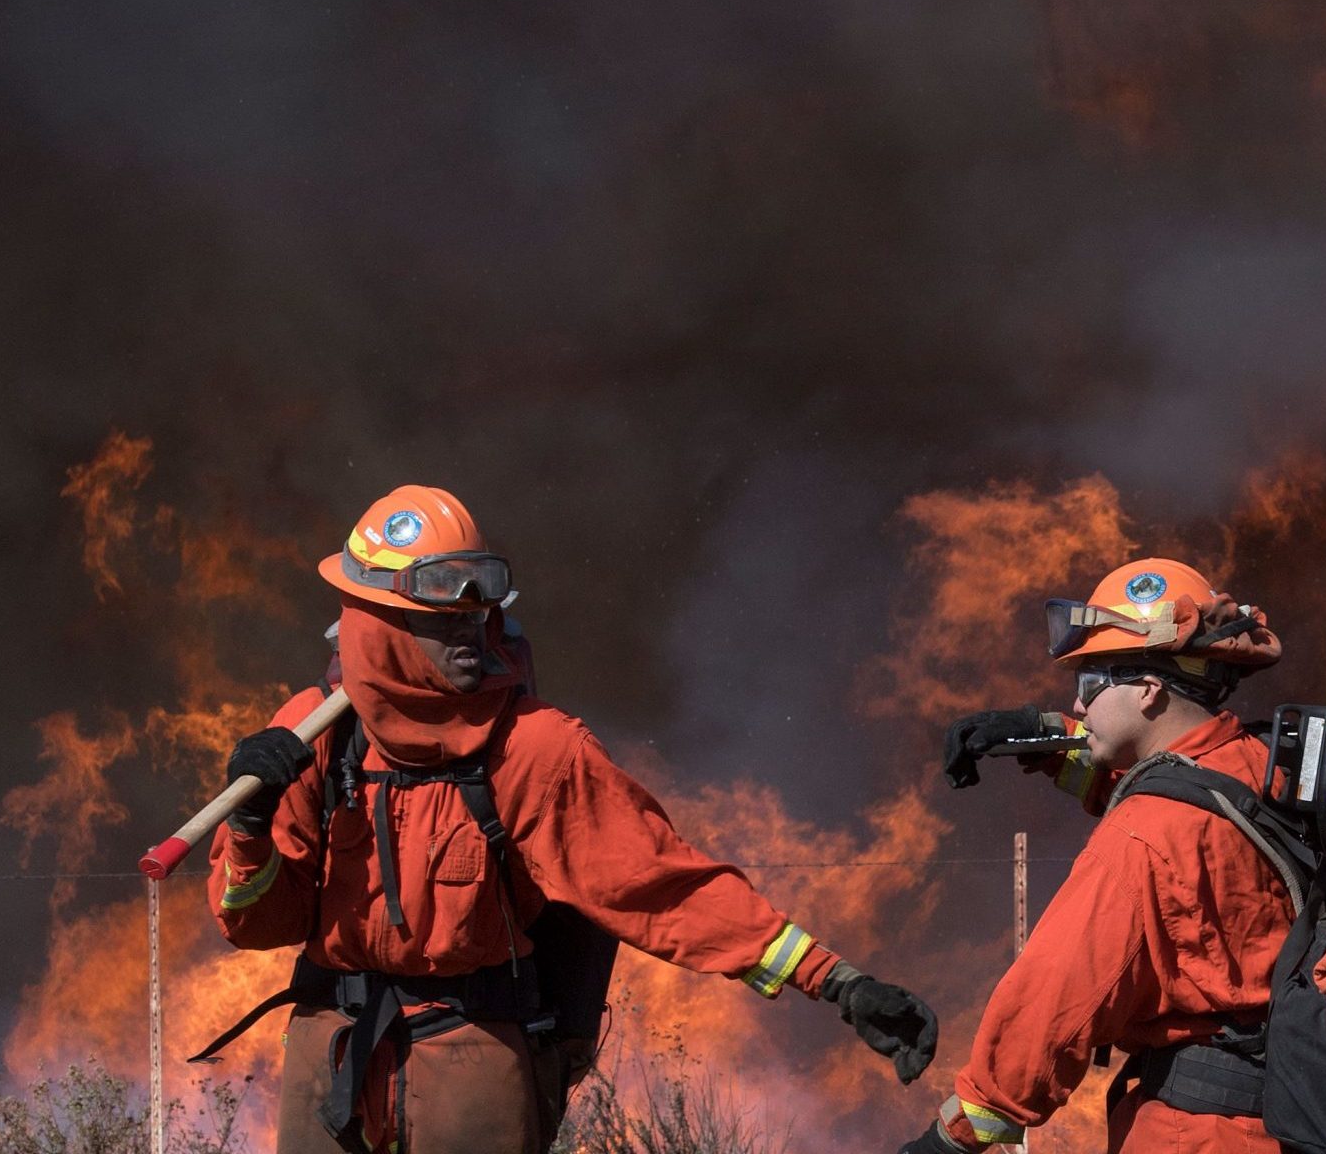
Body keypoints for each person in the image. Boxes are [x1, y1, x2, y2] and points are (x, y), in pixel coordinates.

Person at [202, 485, 936, 1153]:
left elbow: (664, 888)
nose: (471, 632)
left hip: (471, 1058)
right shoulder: (309, 738)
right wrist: (249, 828)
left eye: (477, 611)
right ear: (380, 626)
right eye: (443, 619)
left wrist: (837, 981)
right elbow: (259, 925)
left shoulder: (534, 747)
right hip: (331, 1061)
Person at [904, 557, 1287, 1153]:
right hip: (1297, 1116)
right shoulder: (1262, 768)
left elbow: (1051, 1004)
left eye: (1090, 684)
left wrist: (952, 1137)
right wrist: (1042, 735)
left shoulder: (1139, 839)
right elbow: (1190, 803)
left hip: (1196, 1135)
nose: (1079, 708)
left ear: (1150, 690)